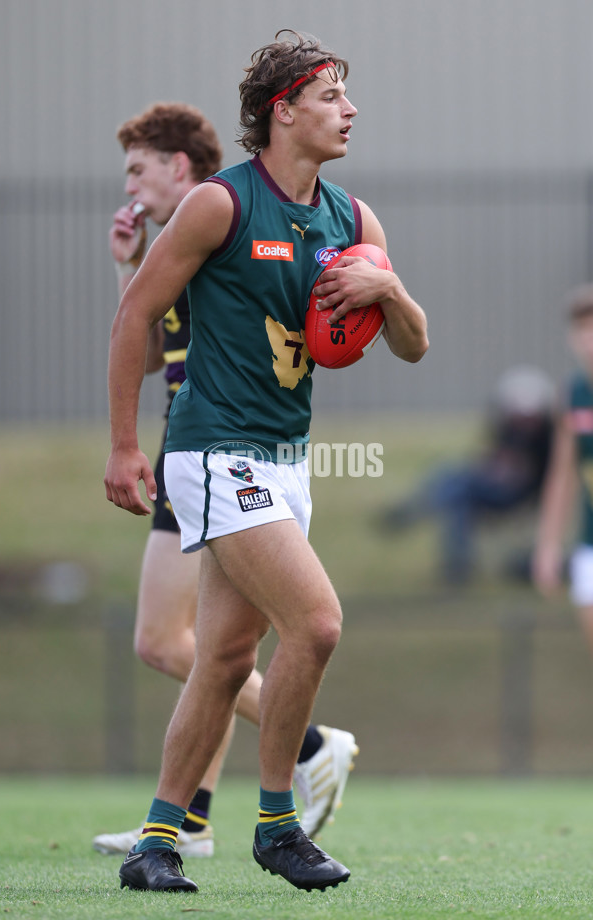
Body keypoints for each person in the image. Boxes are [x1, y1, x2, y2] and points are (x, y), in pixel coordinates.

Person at [104, 30, 428, 894]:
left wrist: (387, 289)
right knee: (316, 625)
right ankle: (279, 825)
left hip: (287, 461)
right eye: (330, 98)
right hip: (214, 451)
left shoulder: (353, 221)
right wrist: (126, 444)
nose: (349, 110)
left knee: (218, 661)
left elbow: (413, 347)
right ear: (282, 112)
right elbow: (135, 315)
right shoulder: (220, 204)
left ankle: (156, 843)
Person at [94, 101, 360, 859]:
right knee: (205, 648)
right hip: (204, 454)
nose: (131, 186)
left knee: (195, 646)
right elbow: (145, 344)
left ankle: (290, 759)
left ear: (180, 168)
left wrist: (385, 295)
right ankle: (192, 820)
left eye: (138, 170)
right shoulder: (199, 232)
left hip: (230, 451)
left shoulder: (234, 216)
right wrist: (126, 263)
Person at [380, 365, 556, 583]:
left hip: (515, 494)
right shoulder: (508, 431)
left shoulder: (547, 441)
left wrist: (504, 470)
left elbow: (529, 476)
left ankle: (416, 510)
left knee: (458, 485)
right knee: (456, 489)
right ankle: (457, 564)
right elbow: (495, 460)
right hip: (493, 486)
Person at [533, 284, 593, 655]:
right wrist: (549, 545)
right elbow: (562, 474)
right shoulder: (572, 393)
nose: (588, 339)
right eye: (581, 329)